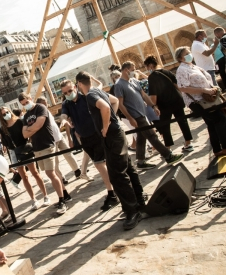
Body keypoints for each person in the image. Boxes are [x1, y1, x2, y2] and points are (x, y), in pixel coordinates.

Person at [75, 71, 146, 230]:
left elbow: (106, 107)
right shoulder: (97, 90)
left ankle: (132, 210)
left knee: (117, 175)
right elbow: (112, 101)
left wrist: (106, 127)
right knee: (128, 168)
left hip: (112, 136)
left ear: (79, 84)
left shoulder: (91, 96)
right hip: (116, 135)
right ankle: (139, 201)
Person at [60, 79, 119, 211]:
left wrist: (108, 123)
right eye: (65, 92)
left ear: (75, 87)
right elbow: (63, 115)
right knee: (101, 164)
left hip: (97, 135)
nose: (68, 93)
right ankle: (114, 190)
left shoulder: (87, 97)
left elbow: (112, 102)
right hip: (85, 139)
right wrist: (64, 121)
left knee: (100, 164)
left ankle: (112, 193)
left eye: (70, 90)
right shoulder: (66, 104)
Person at [114, 61, 184, 170]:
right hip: (136, 116)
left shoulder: (134, 81)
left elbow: (144, 95)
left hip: (142, 113)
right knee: (152, 135)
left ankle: (140, 162)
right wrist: (130, 118)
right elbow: (120, 104)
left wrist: (153, 106)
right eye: (132, 70)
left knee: (142, 138)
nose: (134, 72)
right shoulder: (119, 85)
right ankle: (168, 156)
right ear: (125, 70)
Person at [18, 92, 67, 215]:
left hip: (47, 144)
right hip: (37, 148)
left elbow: (39, 125)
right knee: (50, 173)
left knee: (51, 173)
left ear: (30, 98)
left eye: (27, 102)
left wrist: (31, 129)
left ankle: (62, 200)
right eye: (23, 104)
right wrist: (32, 129)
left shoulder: (40, 108)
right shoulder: (26, 116)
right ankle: (65, 194)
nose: (26, 105)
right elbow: (24, 134)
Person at [175, 46, 226, 157]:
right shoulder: (182, 70)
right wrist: (204, 90)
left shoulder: (192, 66)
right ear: (180, 58)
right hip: (199, 102)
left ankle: (217, 149)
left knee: (212, 124)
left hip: (208, 99)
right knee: (220, 119)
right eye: (187, 53)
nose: (189, 55)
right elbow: (183, 88)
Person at [0, 106, 49, 209]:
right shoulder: (2, 128)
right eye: (3, 114)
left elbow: (27, 133)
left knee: (35, 173)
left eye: (7, 112)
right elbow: (5, 143)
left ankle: (45, 196)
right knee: (24, 176)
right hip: (14, 152)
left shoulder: (20, 121)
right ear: (1, 116)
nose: (6, 115)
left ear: (10, 111)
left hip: (25, 148)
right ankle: (33, 199)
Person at [143, 54, 193, 151]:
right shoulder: (166, 71)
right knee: (183, 122)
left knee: (165, 126)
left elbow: (153, 94)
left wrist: (154, 105)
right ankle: (188, 143)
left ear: (150, 65)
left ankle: (168, 147)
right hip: (176, 100)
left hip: (164, 104)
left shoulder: (152, 77)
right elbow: (177, 85)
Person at [36, 96, 81, 182]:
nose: (46, 103)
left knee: (68, 153)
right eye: (43, 102)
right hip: (51, 140)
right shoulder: (40, 113)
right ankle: (61, 177)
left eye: (46, 101)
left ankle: (77, 170)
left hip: (59, 136)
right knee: (55, 161)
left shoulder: (47, 110)